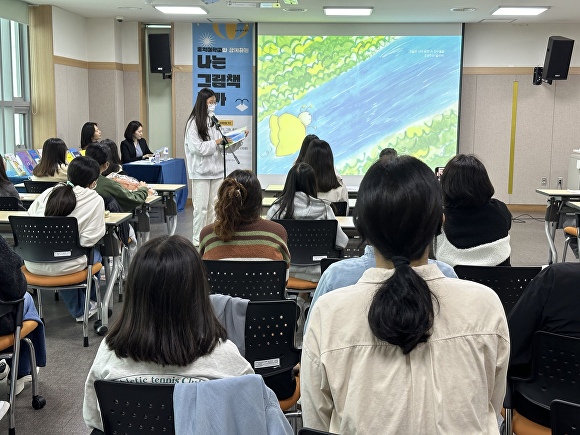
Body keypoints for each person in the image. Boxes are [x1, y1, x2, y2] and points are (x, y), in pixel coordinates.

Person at [301, 156, 509, 434]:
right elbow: (490, 406)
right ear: (440, 222)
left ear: (362, 228)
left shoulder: (329, 314)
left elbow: (316, 422)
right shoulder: (485, 306)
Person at [83, 235, 254, 432]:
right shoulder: (228, 360)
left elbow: (95, 420)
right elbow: (249, 418)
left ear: (135, 295)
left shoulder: (109, 354)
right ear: (197, 292)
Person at [27, 157, 105, 321]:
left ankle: (82, 306)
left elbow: (29, 220)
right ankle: (84, 307)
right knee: (93, 255)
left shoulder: (48, 193)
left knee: (63, 253)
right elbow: (89, 240)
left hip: (33, 262)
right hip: (67, 264)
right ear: (93, 181)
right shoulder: (95, 199)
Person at [266, 162, 348, 282]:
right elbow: (341, 242)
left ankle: (301, 299)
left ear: (288, 183)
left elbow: (269, 241)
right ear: (313, 184)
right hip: (319, 272)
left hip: (285, 271)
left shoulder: (277, 209)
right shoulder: (325, 209)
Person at [184, 87, 244, 246]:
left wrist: (236, 140)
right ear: (202, 103)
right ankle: (198, 240)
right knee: (201, 209)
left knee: (214, 208)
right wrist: (216, 142)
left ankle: (211, 238)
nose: (213, 105)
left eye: (215, 102)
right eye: (211, 102)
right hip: (201, 173)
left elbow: (222, 146)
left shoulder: (214, 120)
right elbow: (197, 148)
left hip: (217, 171)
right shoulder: (193, 123)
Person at [434, 153, 512, 267]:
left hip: (455, 283)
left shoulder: (440, 218)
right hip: (499, 283)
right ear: (484, 182)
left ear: (446, 184)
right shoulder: (500, 209)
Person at [200, 169, 290, 266]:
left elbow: (201, 275)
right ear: (258, 200)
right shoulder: (277, 233)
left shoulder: (207, 235)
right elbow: (284, 275)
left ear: (223, 199)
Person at [0, 235, 47, 396]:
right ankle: (20, 372)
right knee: (24, 299)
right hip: (71, 260)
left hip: (36, 261)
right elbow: (15, 286)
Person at [84, 143, 151, 212]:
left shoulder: (75, 180)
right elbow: (133, 199)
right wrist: (143, 189)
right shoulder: (109, 184)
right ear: (107, 164)